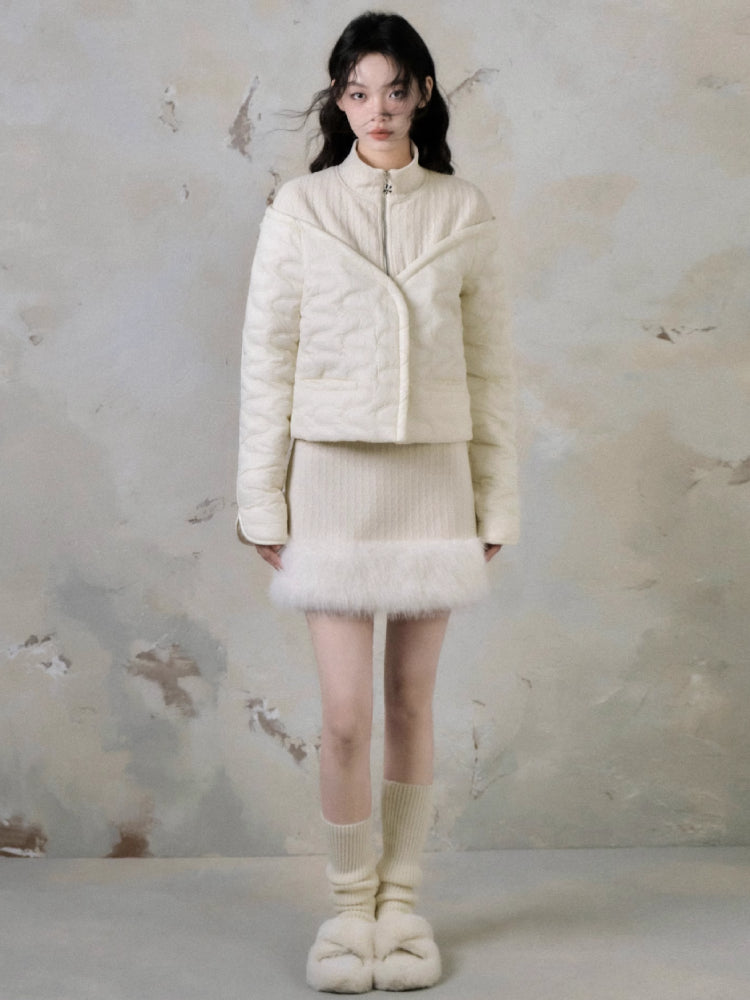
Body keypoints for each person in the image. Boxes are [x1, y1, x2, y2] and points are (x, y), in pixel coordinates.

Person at [236, 10, 519, 993]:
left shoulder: (464, 210)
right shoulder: (302, 209)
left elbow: (492, 371)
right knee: (348, 715)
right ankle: (349, 909)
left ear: (423, 94)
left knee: (410, 702)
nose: (378, 110)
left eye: (396, 90)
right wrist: (261, 501)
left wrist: (495, 503)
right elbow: (267, 362)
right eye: (359, 93)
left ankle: (402, 905)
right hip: (332, 483)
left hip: (434, 480)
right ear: (340, 101)